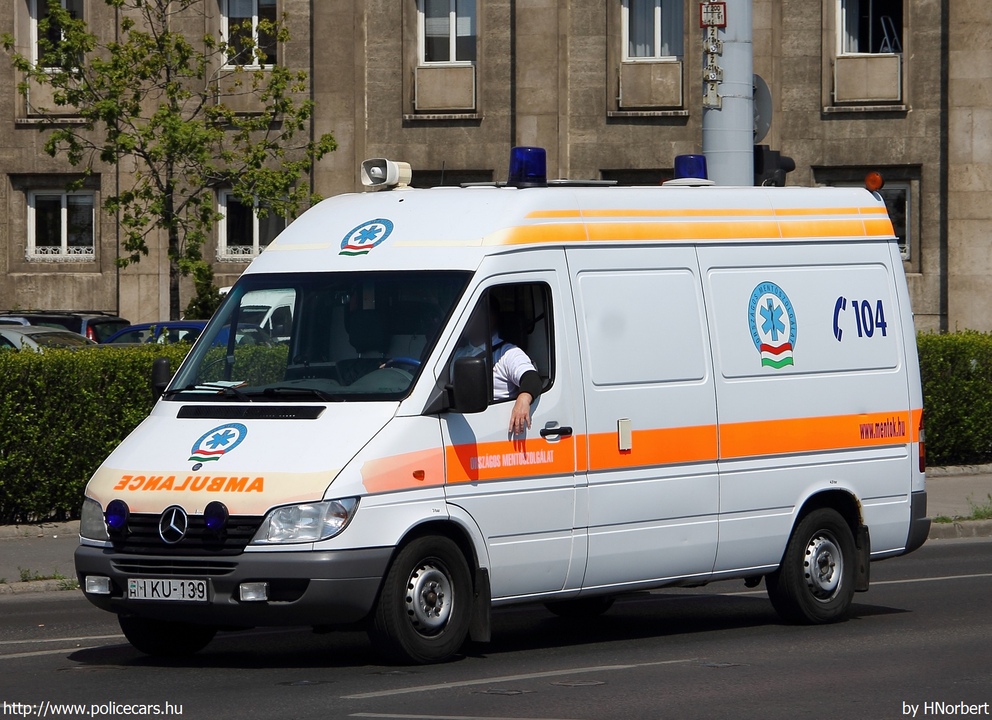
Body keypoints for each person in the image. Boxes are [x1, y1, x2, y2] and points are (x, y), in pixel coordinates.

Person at [454, 294, 543, 434]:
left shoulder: (507, 353)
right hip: (460, 424)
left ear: (490, 319)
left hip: (493, 428)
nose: (464, 320)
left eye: (471, 314)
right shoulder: (458, 353)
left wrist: (523, 399)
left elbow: (532, 378)